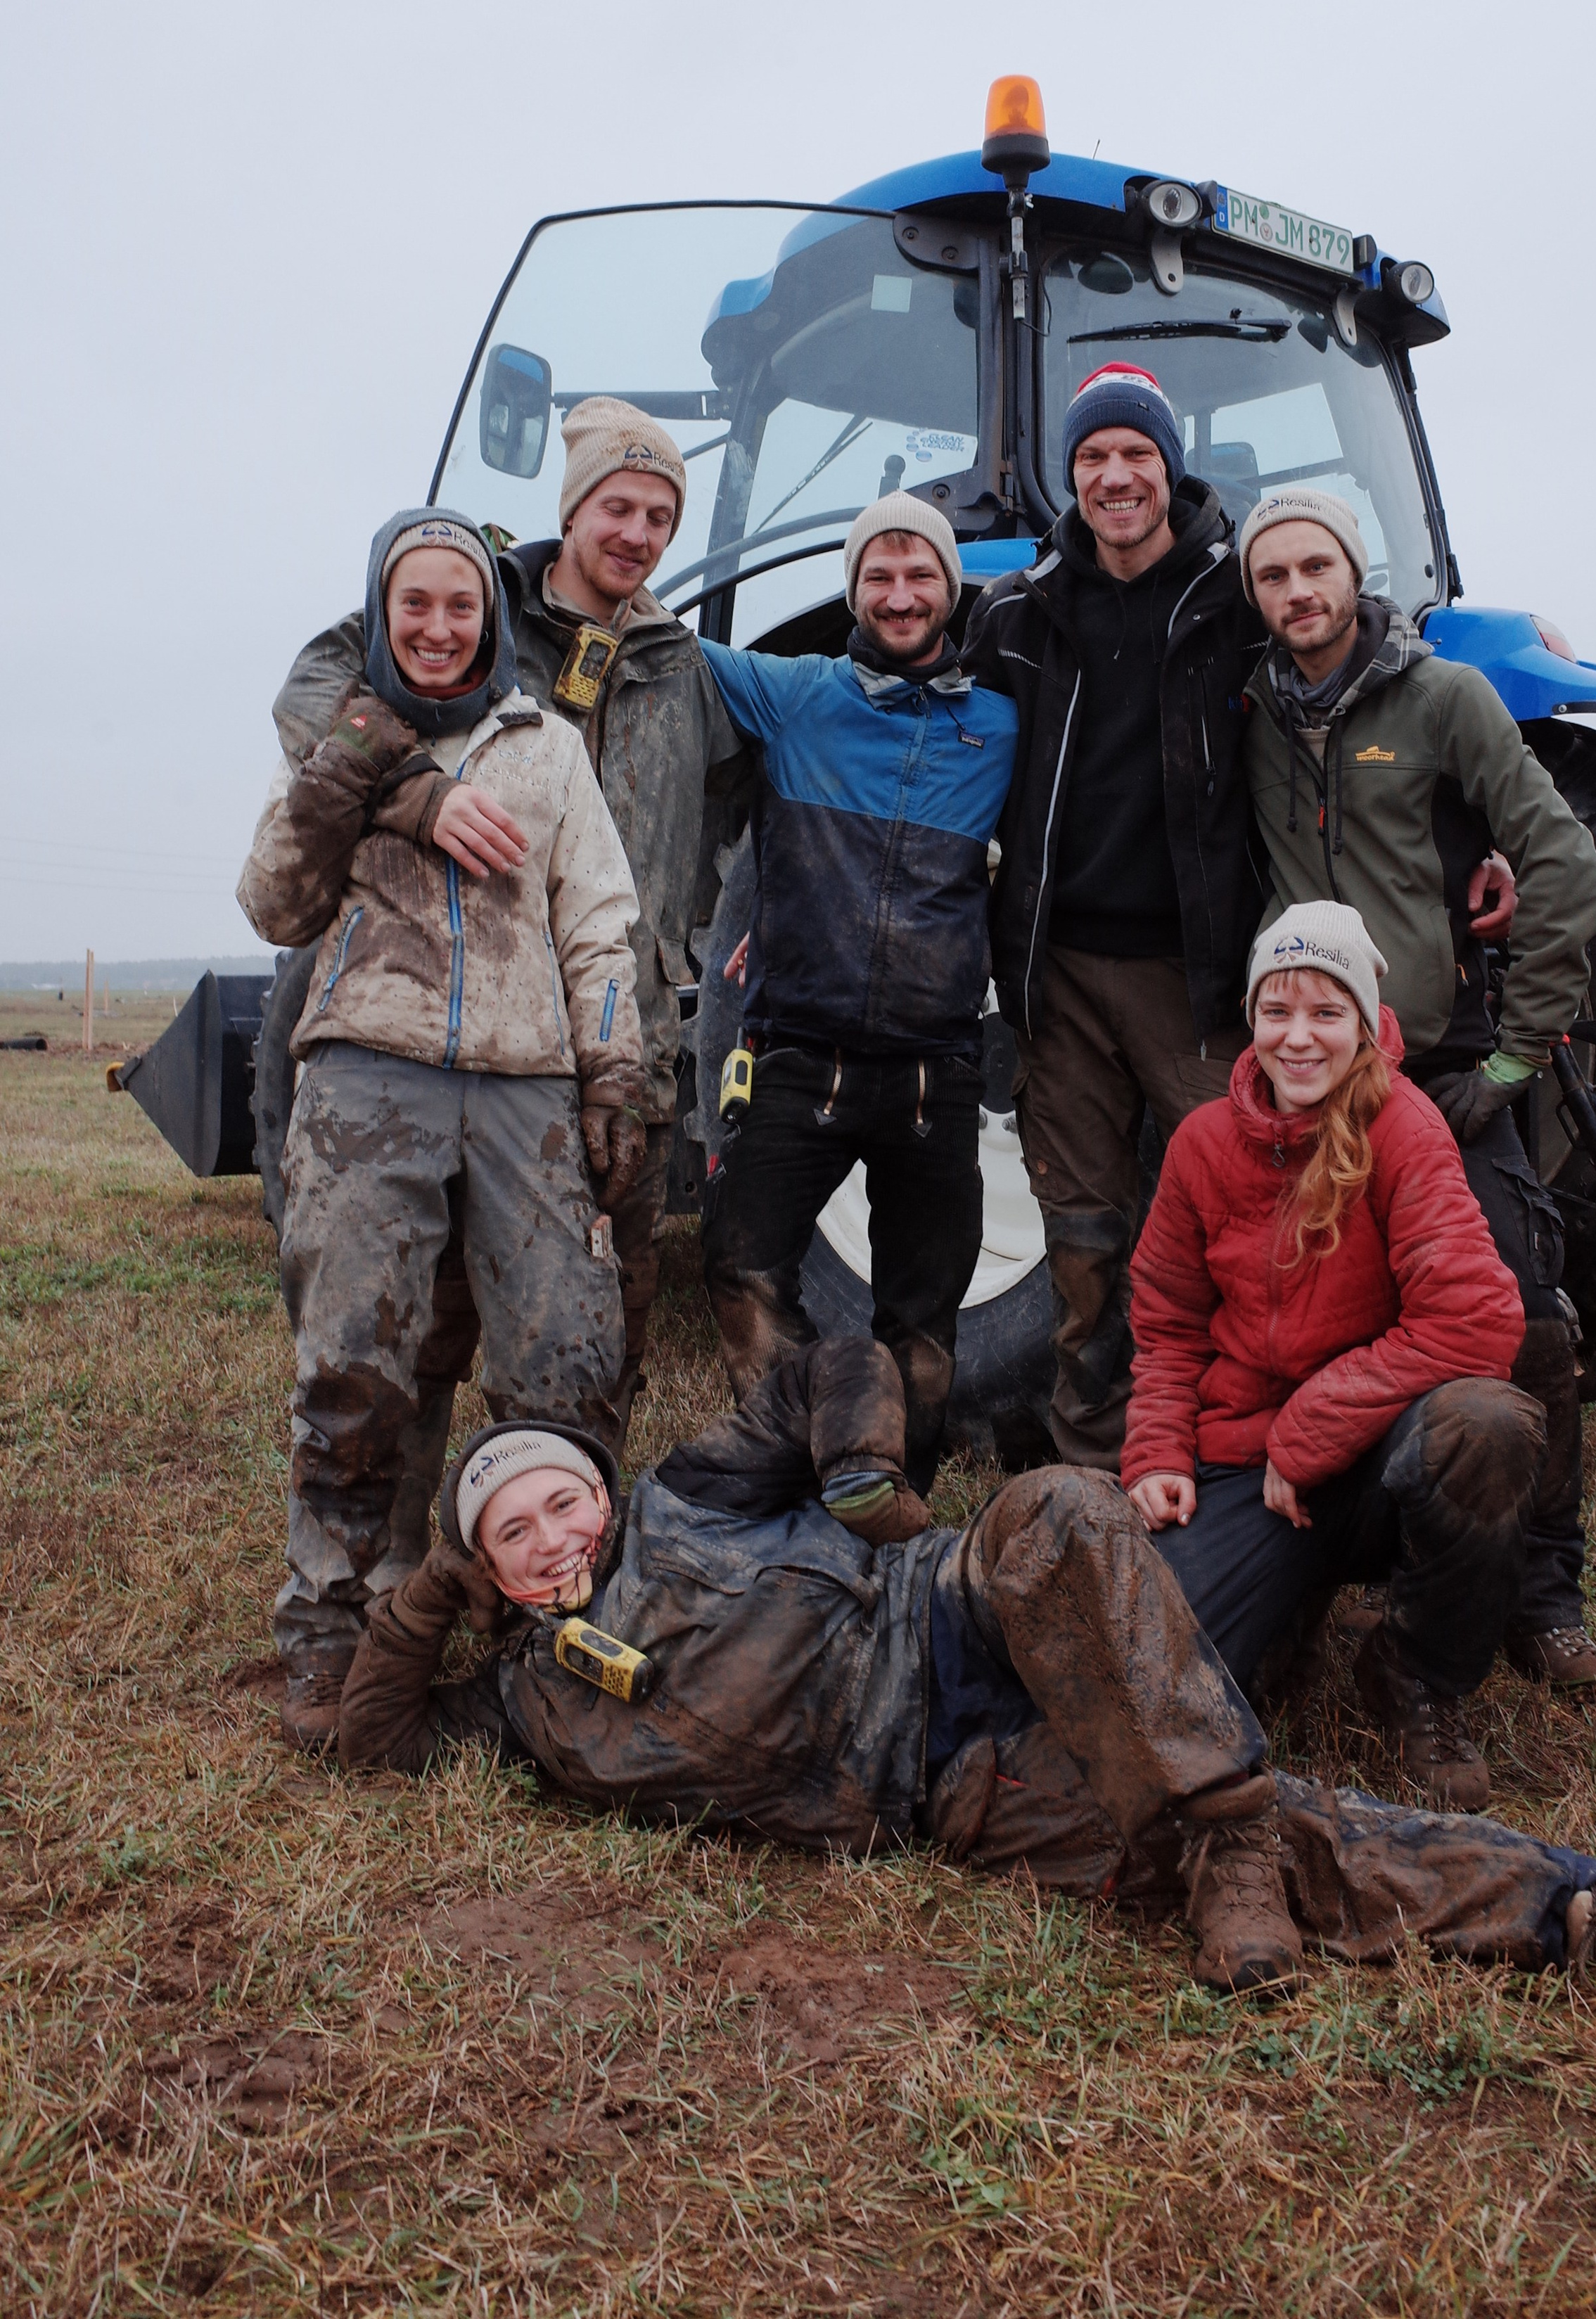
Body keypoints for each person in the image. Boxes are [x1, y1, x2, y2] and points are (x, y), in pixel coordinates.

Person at [335, 1333, 1596, 2023]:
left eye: (556, 1503)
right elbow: (364, 1742)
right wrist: (427, 1596)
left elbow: (828, 1363)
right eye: (508, 1534)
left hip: (966, 1609)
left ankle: (1224, 1831)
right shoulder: (520, 1705)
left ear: (599, 1489)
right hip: (948, 1788)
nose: (547, 1536)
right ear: (487, 1571)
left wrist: (858, 1475)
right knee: (1278, 1844)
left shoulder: (684, 1498)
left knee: (1071, 1510)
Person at [963, 369, 1515, 1471]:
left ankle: (1283, 1453)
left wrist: (1468, 835)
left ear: (1169, 467)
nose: (1116, 476)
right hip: (1058, 972)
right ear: (1068, 476)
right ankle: (1094, 1468)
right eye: (1092, 458)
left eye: (1137, 454)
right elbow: (947, 746)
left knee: (1275, 1214)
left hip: (1200, 974)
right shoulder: (1017, 614)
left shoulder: (1237, 600)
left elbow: (1367, 695)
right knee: (1084, 1235)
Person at [238, 506, 647, 1751]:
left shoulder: (546, 748)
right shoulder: (343, 741)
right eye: (412, 604)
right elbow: (272, 901)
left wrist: (614, 1062)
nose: (435, 626)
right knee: (357, 1364)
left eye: (459, 604)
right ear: (381, 610)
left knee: (567, 1363)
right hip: (368, 1077)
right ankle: (336, 1629)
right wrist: (357, 778)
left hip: (528, 1085)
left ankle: (545, 1619)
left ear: (489, 617)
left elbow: (600, 921)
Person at [272, 397, 741, 1435]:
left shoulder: (683, 664)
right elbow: (315, 697)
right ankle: (400, 1561)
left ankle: (559, 1559)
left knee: (597, 1334)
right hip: (465, 1037)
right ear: (572, 511)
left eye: (661, 515)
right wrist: (415, 794)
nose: (637, 533)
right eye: (617, 506)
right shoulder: (476, 605)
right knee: (425, 1318)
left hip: (628, 1030)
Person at [1237, 491, 1596, 1690]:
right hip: (1310, 1063)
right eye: (1274, 577)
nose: (1298, 593)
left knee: (1532, 1325)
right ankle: (1295, 1567)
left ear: (1354, 573)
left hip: (1444, 1066)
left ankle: (1543, 1597)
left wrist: (1515, 1054)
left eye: (1317, 568)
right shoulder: (1246, 707)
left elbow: (1563, 861)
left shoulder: (1445, 698)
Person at [1124, 905, 1547, 1807]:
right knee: (1161, 1680)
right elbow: (1166, 1325)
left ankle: (1416, 1671)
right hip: (1246, 1461)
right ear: (1251, 1018)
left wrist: (1309, 1426)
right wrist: (1159, 1450)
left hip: (1366, 1457)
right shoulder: (1201, 1144)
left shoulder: (1405, 1126)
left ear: (1362, 1022)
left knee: (1486, 1425)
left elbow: (1476, 1319)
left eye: (1326, 1012)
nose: (1299, 1037)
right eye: (1277, 1011)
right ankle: (1293, 1609)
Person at [696, 501, 1017, 1488]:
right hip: (802, 1054)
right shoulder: (794, 694)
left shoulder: (1001, 724)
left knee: (922, 1320)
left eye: (919, 572)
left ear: (952, 585)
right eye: (879, 574)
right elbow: (660, 649)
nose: (900, 594)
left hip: (935, 1071)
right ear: (853, 588)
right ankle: (809, 1456)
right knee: (741, 1270)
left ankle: (894, 1505)